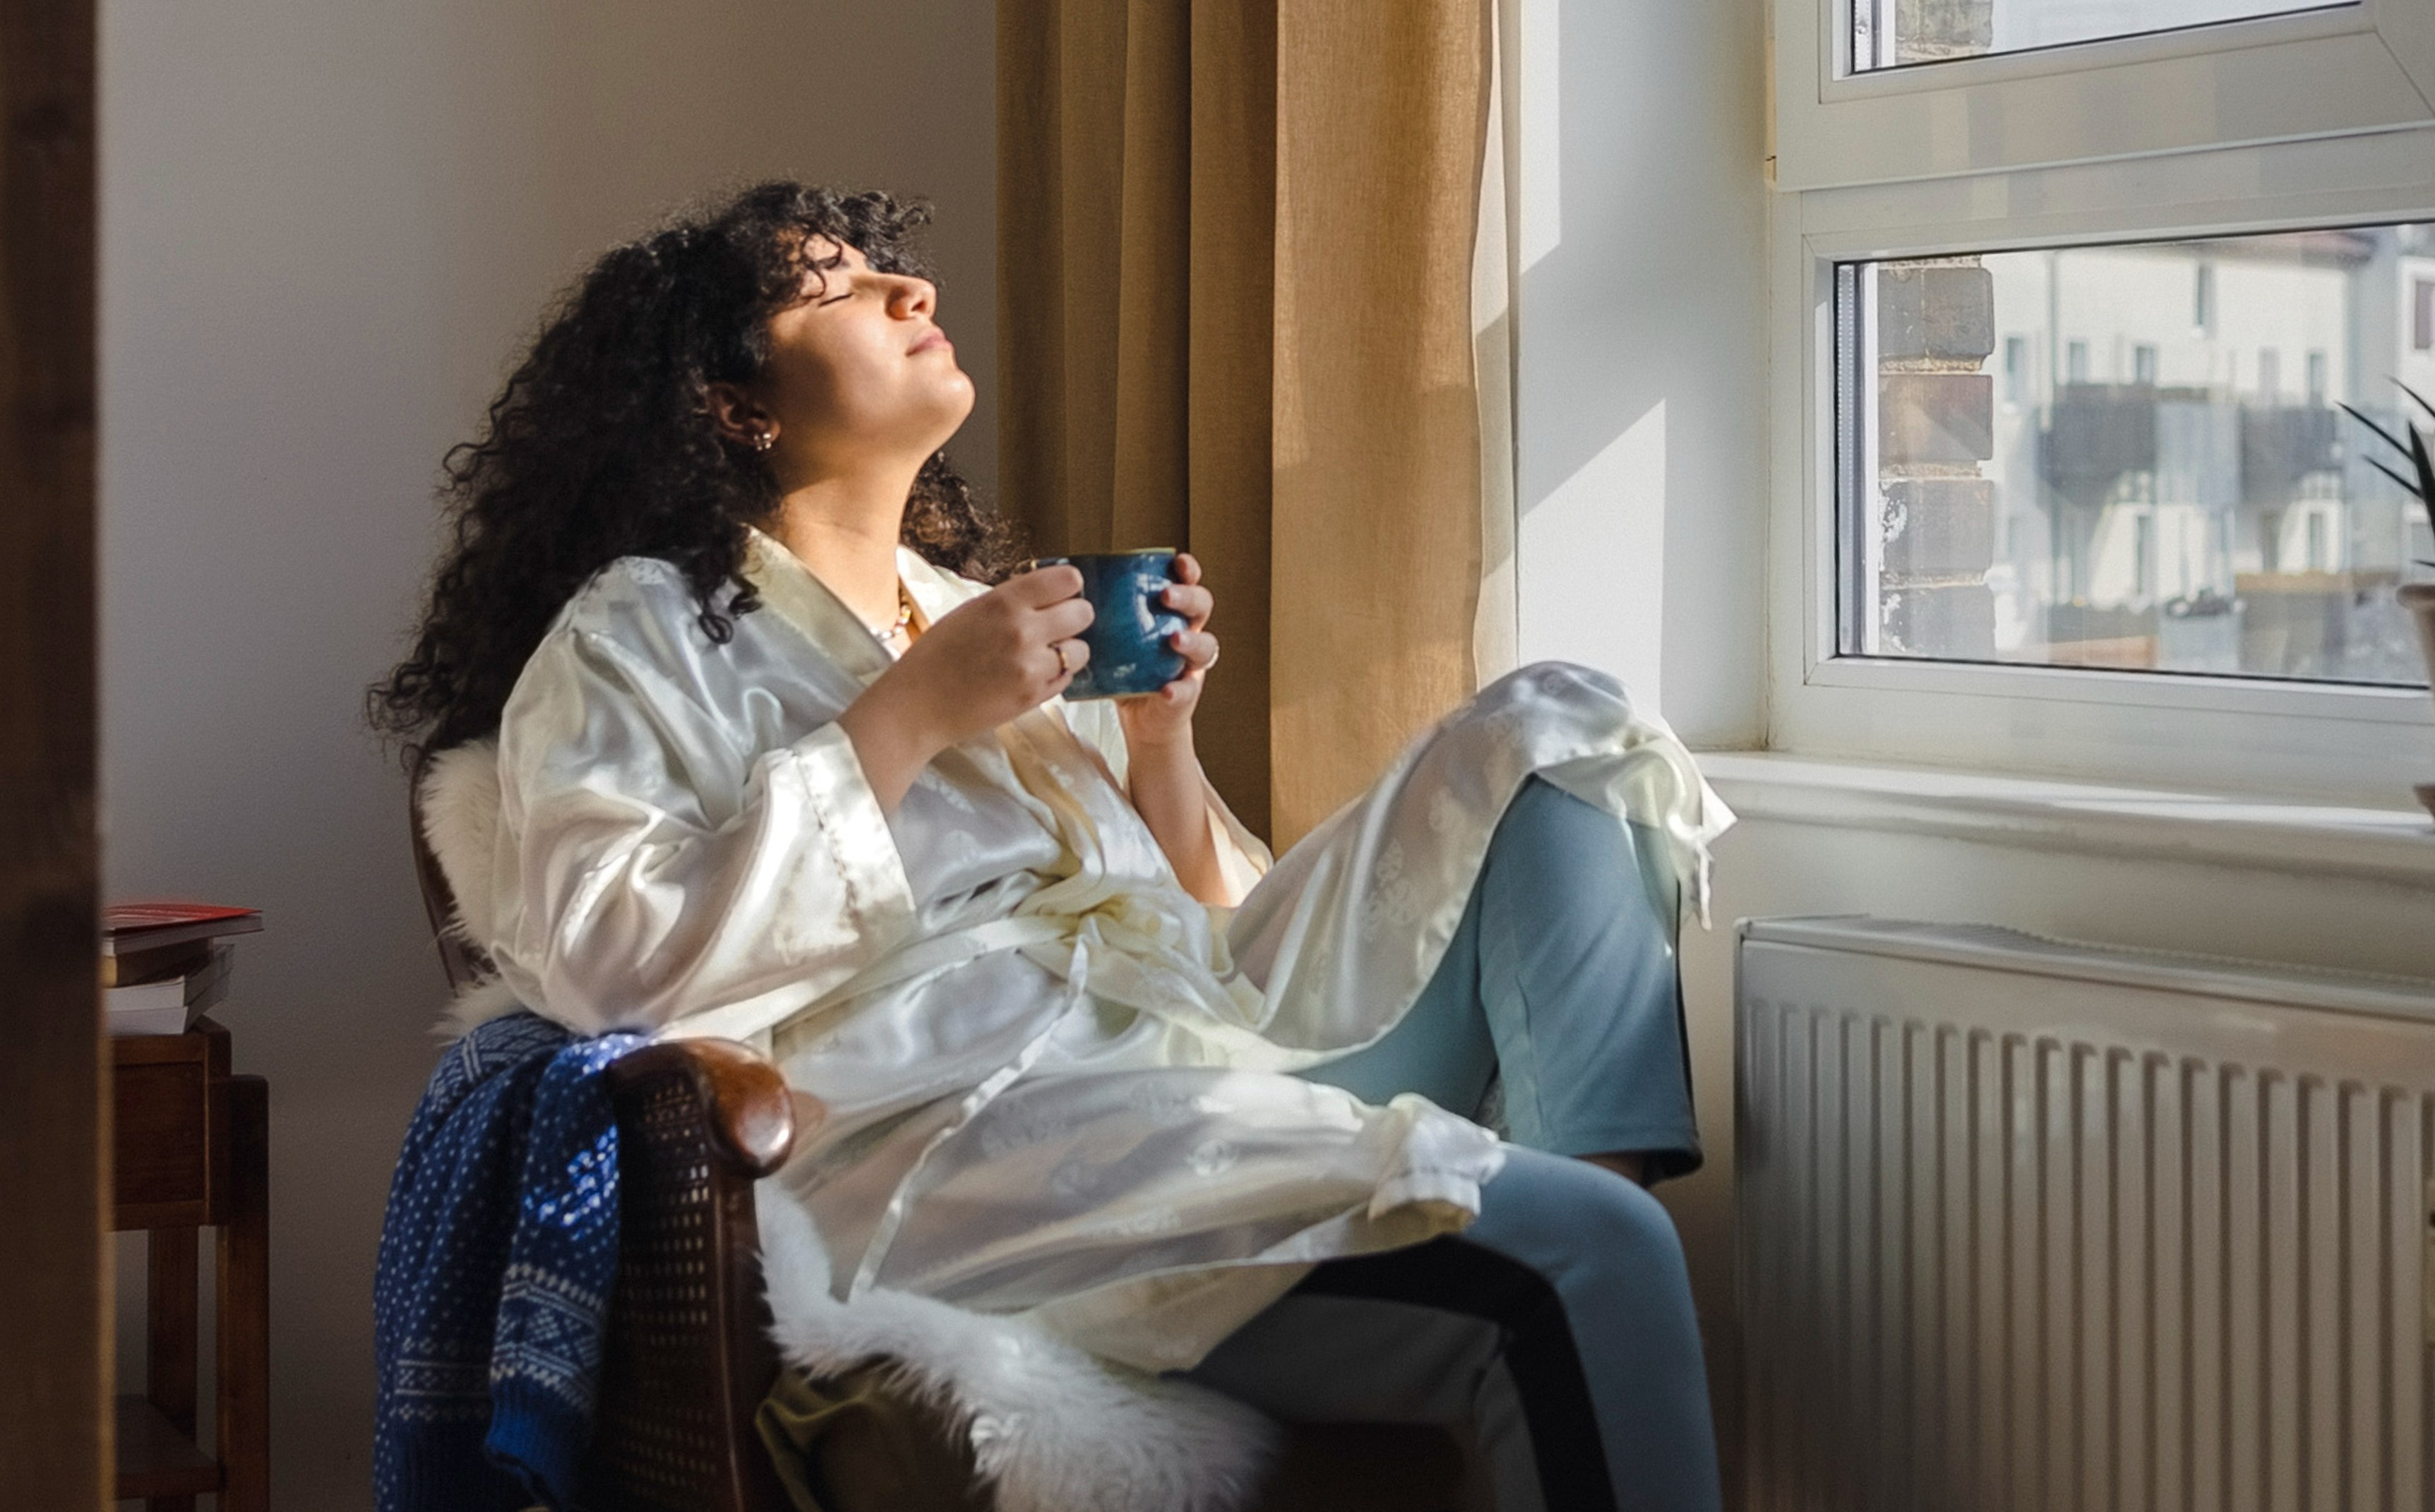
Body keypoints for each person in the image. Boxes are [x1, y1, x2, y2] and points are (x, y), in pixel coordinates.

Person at [372, 181, 1733, 1512]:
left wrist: (1158, 744)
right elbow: (611, 970)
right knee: (1594, 1259)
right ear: (734, 402)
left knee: (1562, 730)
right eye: (833, 287)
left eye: (887, 267)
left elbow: (1203, 942)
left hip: (1182, 1054)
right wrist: (905, 718)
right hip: (962, 1137)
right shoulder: (639, 632)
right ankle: (1557, 1242)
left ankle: (1558, 1191)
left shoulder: (968, 612)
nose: (914, 289)